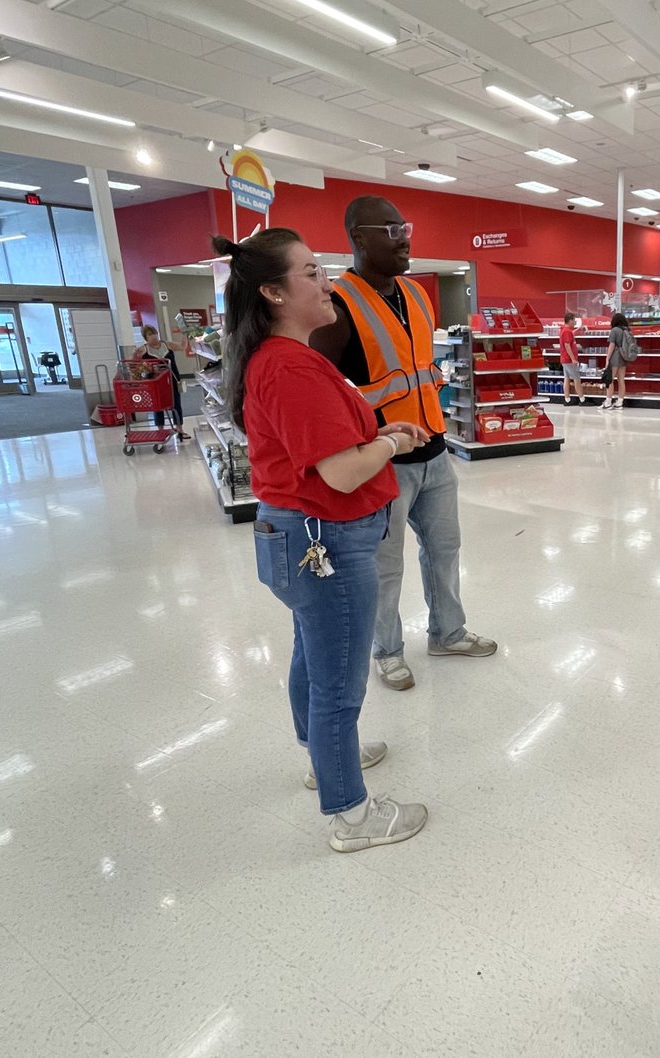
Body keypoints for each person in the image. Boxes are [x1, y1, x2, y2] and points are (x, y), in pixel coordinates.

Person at [216, 226, 430, 852]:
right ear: (274, 293)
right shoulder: (289, 367)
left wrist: (377, 426)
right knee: (339, 679)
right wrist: (389, 442)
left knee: (313, 658)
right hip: (327, 540)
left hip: (304, 536)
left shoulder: (289, 361)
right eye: (310, 272)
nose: (326, 281)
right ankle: (353, 817)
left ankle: (325, 759)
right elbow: (340, 472)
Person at [310, 195, 496, 692]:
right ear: (358, 237)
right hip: (381, 462)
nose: (405, 238)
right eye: (391, 230)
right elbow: (325, 393)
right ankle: (387, 652)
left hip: (435, 450)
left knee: (445, 550)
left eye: (405, 227)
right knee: (384, 567)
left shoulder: (416, 294)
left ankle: (447, 633)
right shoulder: (337, 305)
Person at [134, 325, 190, 440]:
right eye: (150, 334)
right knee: (158, 405)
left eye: (155, 333)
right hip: (155, 382)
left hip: (171, 379)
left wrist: (185, 334)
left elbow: (182, 346)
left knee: (176, 403)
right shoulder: (143, 349)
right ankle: (160, 430)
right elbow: (136, 365)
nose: (154, 336)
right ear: (145, 337)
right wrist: (147, 368)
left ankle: (179, 428)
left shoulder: (166, 344)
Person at [599, 312, 630, 410]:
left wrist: (607, 358)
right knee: (621, 380)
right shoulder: (627, 330)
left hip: (615, 356)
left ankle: (608, 402)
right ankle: (620, 402)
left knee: (610, 380)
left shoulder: (614, 330)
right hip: (624, 356)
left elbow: (611, 345)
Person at [558, 312, 585, 405]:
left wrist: (577, 331)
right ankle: (582, 400)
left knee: (567, 378)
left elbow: (568, 341)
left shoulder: (564, 330)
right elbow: (567, 345)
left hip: (564, 359)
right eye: (574, 320)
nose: (574, 322)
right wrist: (573, 358)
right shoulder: (567, 331)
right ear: (570, 320)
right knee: (577, 379)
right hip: (569, 360)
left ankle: (567, 399)